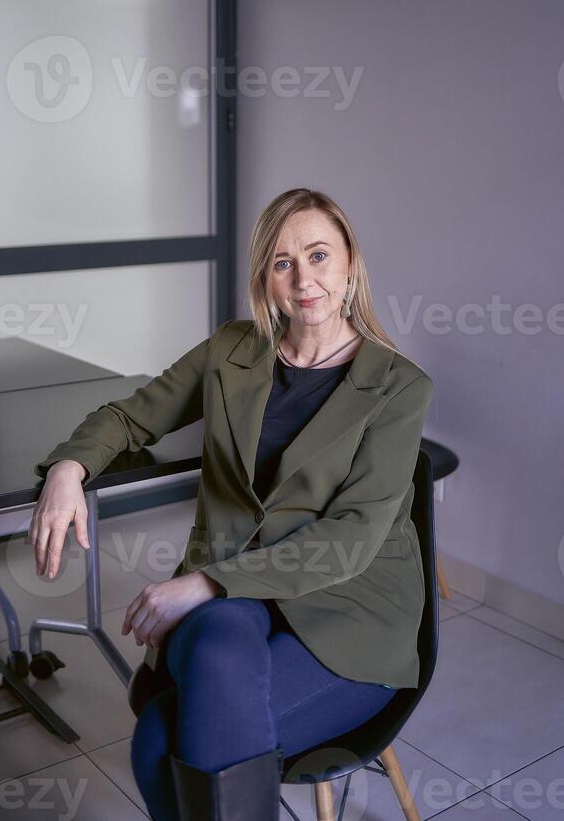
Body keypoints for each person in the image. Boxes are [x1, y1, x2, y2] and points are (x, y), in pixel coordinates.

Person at [29, 188, 433, 820]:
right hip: (235, 606)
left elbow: (351, 538)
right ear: (264, 279)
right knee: (217, 643)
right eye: (281, 263)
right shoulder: (231, 352)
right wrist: (67, 469)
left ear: (350, 262)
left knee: (159, 739)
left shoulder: (400, 386)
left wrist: (205, 582)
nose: (304, 280)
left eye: (319, 255)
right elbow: (131, 416)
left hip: (348, 622)